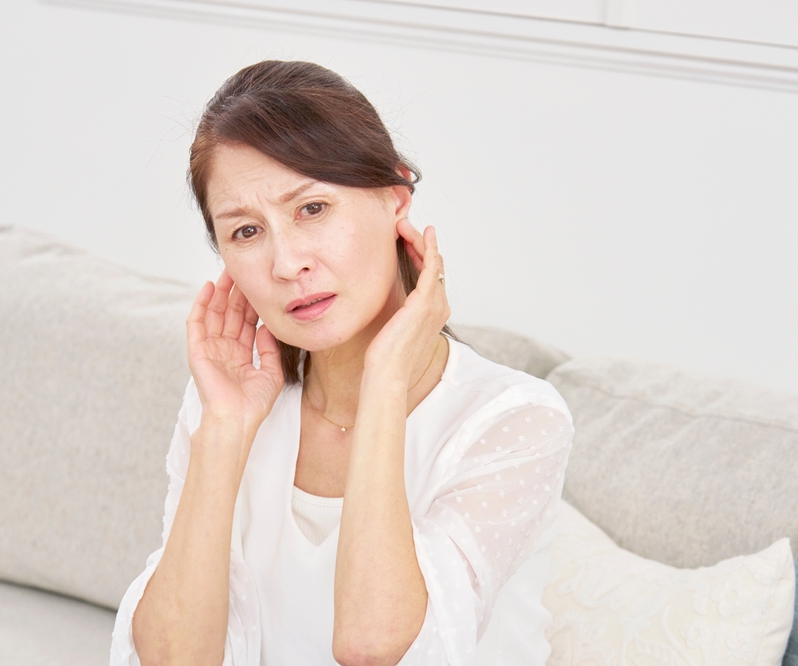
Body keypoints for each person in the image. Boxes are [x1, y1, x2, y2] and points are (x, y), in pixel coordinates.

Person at [111, 60, 574, 666]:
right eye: (247, 232)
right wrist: (223, 432)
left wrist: (384, 382)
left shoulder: (516, 421)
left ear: (394, 197)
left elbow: (373, 646)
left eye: (311, 209)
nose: (286, 263)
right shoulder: (230, 402)